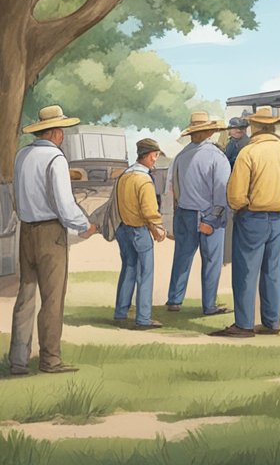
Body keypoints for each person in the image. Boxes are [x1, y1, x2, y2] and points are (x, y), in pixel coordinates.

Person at [8, 105, 99, 375]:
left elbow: (15, 195)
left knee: (26, 294)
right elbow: (64, 203)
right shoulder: (56, 159)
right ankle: (50, 359)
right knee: (52, 298)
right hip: (51, 233)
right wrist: (84, 225)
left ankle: (18, 359)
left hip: (26, 231)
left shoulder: (22, 155)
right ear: (57, 132)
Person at [212, 106, 280, 339]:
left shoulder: (249, 152)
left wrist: (240, 206)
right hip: (277, 217)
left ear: (254, 126)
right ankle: (271, 322)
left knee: (246, 271)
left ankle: (244, 324)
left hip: (252, 216)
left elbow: (235, 195)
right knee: (272, 271)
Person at [165, 112, 232, 317]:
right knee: (211, 261)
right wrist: (213, 219)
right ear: (210, 132)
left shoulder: (180, 156)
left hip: (184, 212)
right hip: (207, 214)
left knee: (182, 257)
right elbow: (222, 191)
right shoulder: (217, 156)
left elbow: (172, 188)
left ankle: (175, 299)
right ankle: (209, 305)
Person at [114, 139, 168, 329]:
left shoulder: (125, 175)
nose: (155, 159)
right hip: (139, 230)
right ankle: (143, 318)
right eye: (154, 155)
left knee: (128, 268)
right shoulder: (144, 179)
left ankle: (120, 311)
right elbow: (149, 210)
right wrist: (158, 227)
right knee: (145, 273)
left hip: (123, 229)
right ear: (146, 155)